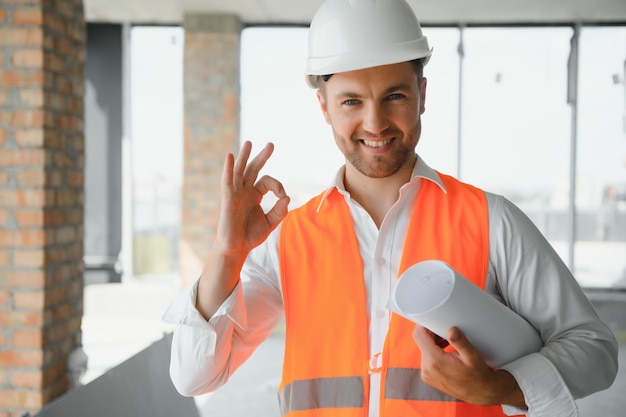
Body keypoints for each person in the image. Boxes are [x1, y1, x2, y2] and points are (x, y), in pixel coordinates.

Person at [163, 0, 618, 415]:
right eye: (351, 102)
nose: (375, 122)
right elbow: (194, 376)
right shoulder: (288, 240)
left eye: (395, 96)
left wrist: (502, 386)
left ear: (422, 93)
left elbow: (594, 350)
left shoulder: (489, 220)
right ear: (323, 106)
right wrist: (226, 254)